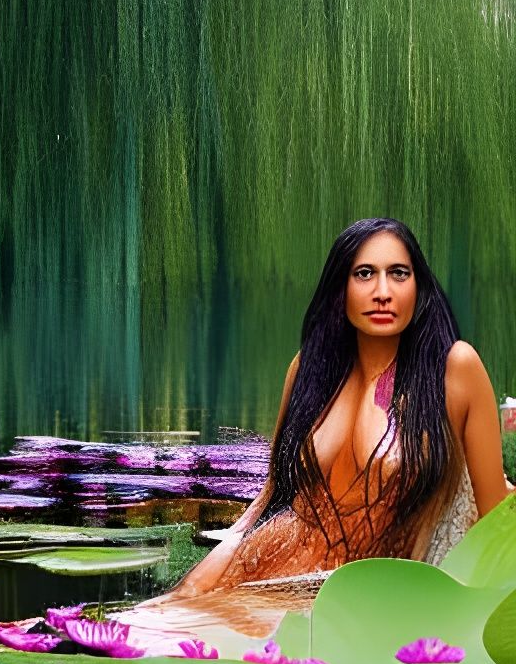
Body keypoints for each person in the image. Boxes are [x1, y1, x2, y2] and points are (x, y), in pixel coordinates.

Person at [124, 218, 509, 639]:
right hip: (262, 568)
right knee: (134, 631)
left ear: (419, 286)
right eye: (364, 274)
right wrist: (199, 578)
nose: (383, 292)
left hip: (344, 603)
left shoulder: (453, 370)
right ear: (339, 288)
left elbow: (495, 520)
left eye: (399, 273)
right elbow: (272, 496)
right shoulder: (308, 369)